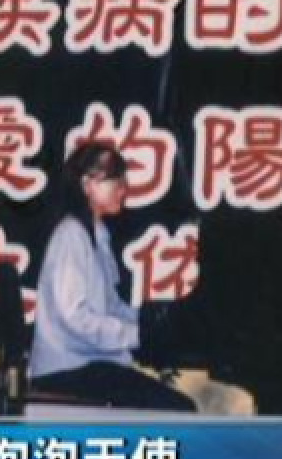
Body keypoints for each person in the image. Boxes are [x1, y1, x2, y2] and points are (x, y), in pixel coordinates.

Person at [28, 142, 196, 411]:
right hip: (66, 368)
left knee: (176, 406)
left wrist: (148, 323)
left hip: (88, 363)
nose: (123, 188)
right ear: (86, 184)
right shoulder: (71, 236)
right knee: (177, 410)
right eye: (115, 178)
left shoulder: (97, 234)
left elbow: (110, 306)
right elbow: (76, 318)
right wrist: (136, 334)